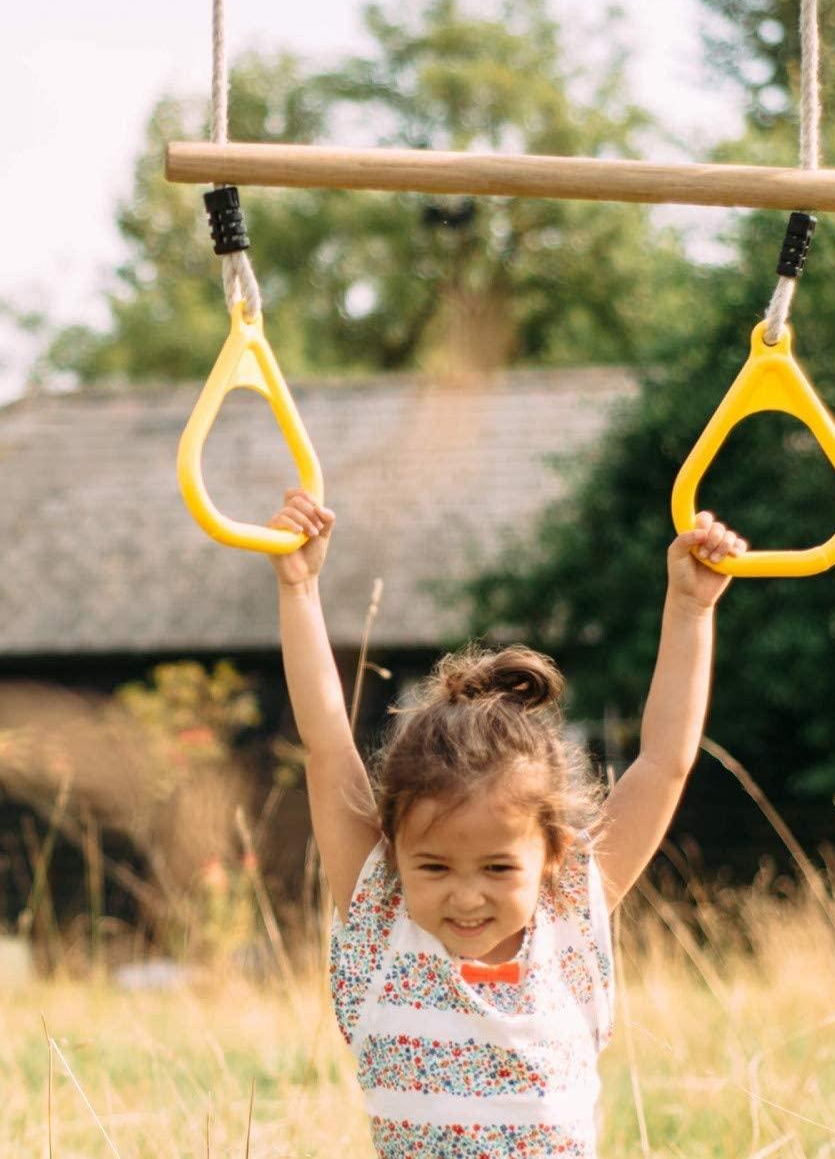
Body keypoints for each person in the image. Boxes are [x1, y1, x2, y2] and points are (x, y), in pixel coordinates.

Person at [268, 488, 746, 1159]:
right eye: (434, 866)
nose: (467, 896)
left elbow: (666, 762)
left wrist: (691, 606)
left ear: (551, 855)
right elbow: (327, 746)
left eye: (498, 867)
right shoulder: (381, 917)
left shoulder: (570, 911)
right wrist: (299, 589)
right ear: (395, 850)